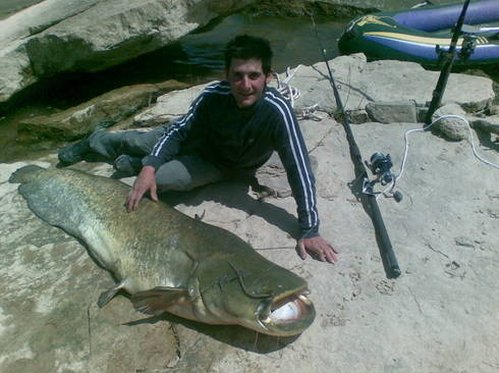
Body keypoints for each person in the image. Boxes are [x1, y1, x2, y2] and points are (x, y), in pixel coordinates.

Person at [58, 34, 338, 264]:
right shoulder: (212, 96)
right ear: (226, 75)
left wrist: (309, 228)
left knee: (163, 182)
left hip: (223, 166)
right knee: (141, 144)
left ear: (268, 76)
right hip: (196, 142)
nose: (245, 85)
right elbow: (179, 132)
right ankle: (95, 141)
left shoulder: (278, 111)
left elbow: (298, 167)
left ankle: (133, 163)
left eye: (254, 75)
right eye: (237, 75)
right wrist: (149, 165)